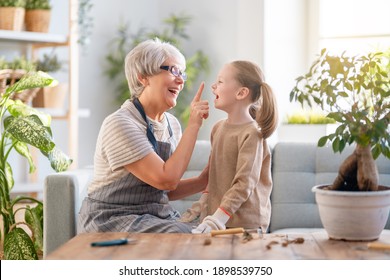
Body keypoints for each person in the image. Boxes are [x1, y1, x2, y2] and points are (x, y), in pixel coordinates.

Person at [77, 38, 209, 234]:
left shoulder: (172, 125)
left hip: (155, 216)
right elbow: (166, 180)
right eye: (173, 71)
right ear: (144, 77)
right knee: (186, 236)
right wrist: (194, 124)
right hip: (113, 218)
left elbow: (164, 191)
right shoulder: (120, 123)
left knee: (208, 232)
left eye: (182, 73)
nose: (180, 81)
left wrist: (205, 180)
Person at [180, 60, 278, 234]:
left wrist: (217, 218)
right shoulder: (217, 128)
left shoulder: (252, 134)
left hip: (246, 225)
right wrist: (200, 206)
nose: (213, 86)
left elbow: (244, 183)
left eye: (220, 81)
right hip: (216, 220)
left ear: (241, 93)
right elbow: (214, 176)